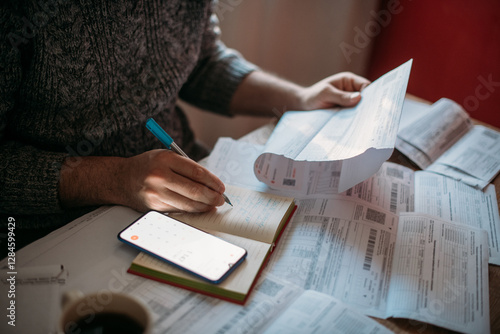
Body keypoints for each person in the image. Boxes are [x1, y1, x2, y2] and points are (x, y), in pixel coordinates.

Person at [0, 0, 370, 248]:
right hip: (46, 235)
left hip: (185, 187)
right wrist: (116, 178)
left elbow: (202, 63)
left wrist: (298, 98)